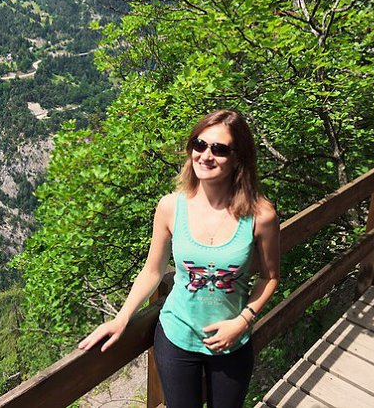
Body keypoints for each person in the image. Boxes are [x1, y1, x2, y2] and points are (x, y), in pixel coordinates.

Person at [78, 109, 280, 407]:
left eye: (219, 149)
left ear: (239, 157)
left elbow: (269, 277)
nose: (206, 155)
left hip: (232, 340)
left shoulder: (261, 215)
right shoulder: (171, 207)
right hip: (177, 336)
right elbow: (153, 270)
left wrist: (242, 321)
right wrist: (122, 318)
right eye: (200, 144)